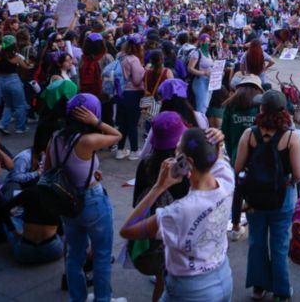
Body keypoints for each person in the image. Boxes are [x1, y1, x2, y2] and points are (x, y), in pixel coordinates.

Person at [120, 128, 235, 302]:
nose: (175, 153)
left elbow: (127, 230)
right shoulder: (227, 178)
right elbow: (217, 157)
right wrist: (217, 141)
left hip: (189, 290)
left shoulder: (178, 212)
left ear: (186, 161)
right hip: (223, 276)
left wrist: (158, 187)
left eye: (177, 149)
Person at [45, 93, 124, 302]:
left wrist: (85, 171)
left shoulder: (55, 137)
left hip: (67, 202)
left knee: (74, 255)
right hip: (92, 201)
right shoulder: (88, 140)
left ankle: (77, 298)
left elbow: (49, 170)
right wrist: (96, 122)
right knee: (102, 255)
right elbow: (117, 135)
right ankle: (103, 299)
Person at [234, 90, 300, 301]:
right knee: (280, 245)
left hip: (254, 199)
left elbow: (237, 168)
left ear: (262, 109)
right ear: (284, 111)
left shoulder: (249, 134)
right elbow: (298, 175)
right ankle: (281, 291)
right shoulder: (291, 137)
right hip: (282, 198)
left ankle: (258, 286)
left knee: (257, 242)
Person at [132, 111, 189, 302]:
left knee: (162, 279)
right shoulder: (184, 169)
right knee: (169, 284)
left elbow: (136, 204)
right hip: (179, 238)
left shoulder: (146, 164)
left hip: (155, 232)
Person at [220, 75, 264, 241]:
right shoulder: (259, 106)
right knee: (255, 188)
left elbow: (224, 132)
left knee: (238, 190)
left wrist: (232, 152)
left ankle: (235, 224)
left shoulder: (230, 106)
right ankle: (255, 218)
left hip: (236, 156)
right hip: (258, 157)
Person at [0, 34, 33, 135]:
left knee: (8, 105)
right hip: (13, 80)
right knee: (20, 105)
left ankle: (3, 124)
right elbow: (26, 67)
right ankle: (20, 127)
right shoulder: (16, 57)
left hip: (1, 81)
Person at [187, 33, 215, 115]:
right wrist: (203, 73)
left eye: (208, 41)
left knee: (206, 106)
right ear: (200, 42)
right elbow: (190, 68)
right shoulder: (196, 53)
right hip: (200, 81)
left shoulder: (208, 54)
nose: (207, 43)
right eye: (205, 41)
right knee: (201, 106)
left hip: (209, 82)